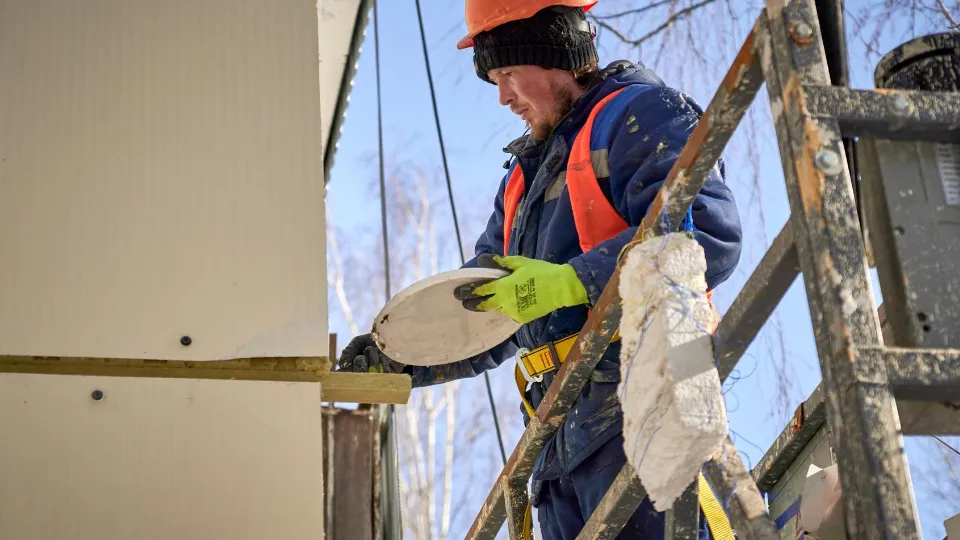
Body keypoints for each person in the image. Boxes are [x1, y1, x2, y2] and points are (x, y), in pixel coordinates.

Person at [337, 0, 743, 538]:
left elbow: (708, 235)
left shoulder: (637, 114)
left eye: (507, 73)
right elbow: (478, 308)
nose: (503, 96)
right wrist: (399, 358)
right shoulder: (521, 185)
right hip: (555, 445)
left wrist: (574, 282)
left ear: (554, 54)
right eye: (493, 79)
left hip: (643, 406)